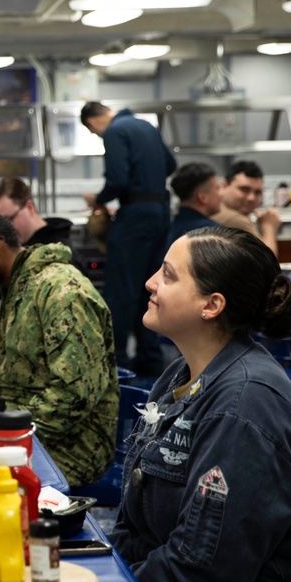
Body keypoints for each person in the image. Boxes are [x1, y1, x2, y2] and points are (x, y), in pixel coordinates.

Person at [110, 226, 291, 582]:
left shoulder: (244, 406)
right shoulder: (178, 376)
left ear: (212, 305)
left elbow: (201, 573)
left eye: (167, 275)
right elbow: (134, 528)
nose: (150, 283)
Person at [0, 209, 118, 486]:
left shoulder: (61, 291)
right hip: (27, 434)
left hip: (69, 451)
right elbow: (14, 360)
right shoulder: (19, 285)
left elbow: (74, 395)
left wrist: (1, 437)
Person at [81, 101, 177, 377]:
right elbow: (171, 164)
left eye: (93, 132)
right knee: (152, 288)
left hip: (134, 215)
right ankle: (150, 360)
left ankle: (119, 365)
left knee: (121, 291)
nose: (98, 136)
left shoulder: (114, 131)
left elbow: (118, 179)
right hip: (160, 213)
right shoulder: (146, 125)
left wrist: (97, 199)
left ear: (92, 122)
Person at [0, 177, 85, 330]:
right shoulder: (20, 248)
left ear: (29, 207)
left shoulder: (59, 257)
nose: (2, 233)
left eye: (8, 220)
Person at [212, 160, 282, 256]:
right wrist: (269, 227)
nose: (251, 198)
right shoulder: (235, 220)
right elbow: (267, 262)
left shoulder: (219, 210)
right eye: (244, 189)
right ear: (224, 186)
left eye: (257, 192)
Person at [165, 161, 222, 251]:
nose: (221, 194)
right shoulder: (212, 234)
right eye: (217, 188)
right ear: (203, 197)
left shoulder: (168, 228)